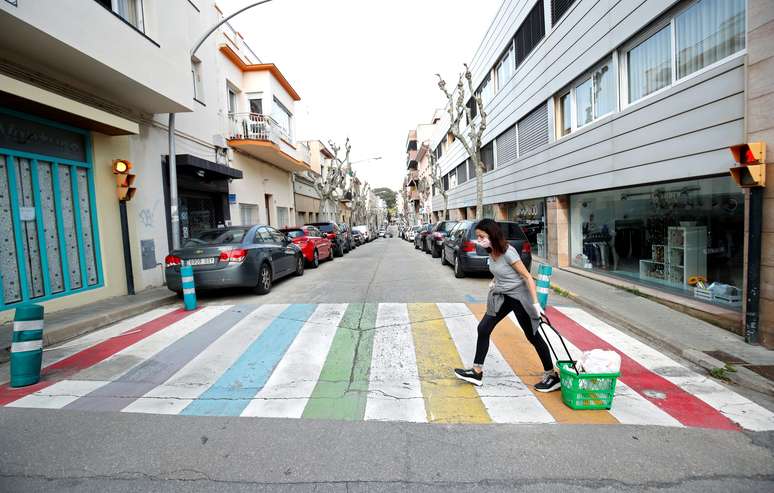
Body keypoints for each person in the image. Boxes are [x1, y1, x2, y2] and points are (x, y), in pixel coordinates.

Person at [454, 219, 560, 392]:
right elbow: (500, 270)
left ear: (492, 235)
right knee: (483, 328)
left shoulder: (509, 252)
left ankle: (552, 376)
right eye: (478, 236)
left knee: (532, 335)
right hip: (502, 296)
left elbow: (526, 276)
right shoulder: (491, 250)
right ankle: (476, 372)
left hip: (518, 297)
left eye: (482, 236)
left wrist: (535, 303)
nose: (479, 239)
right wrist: (495, 280)